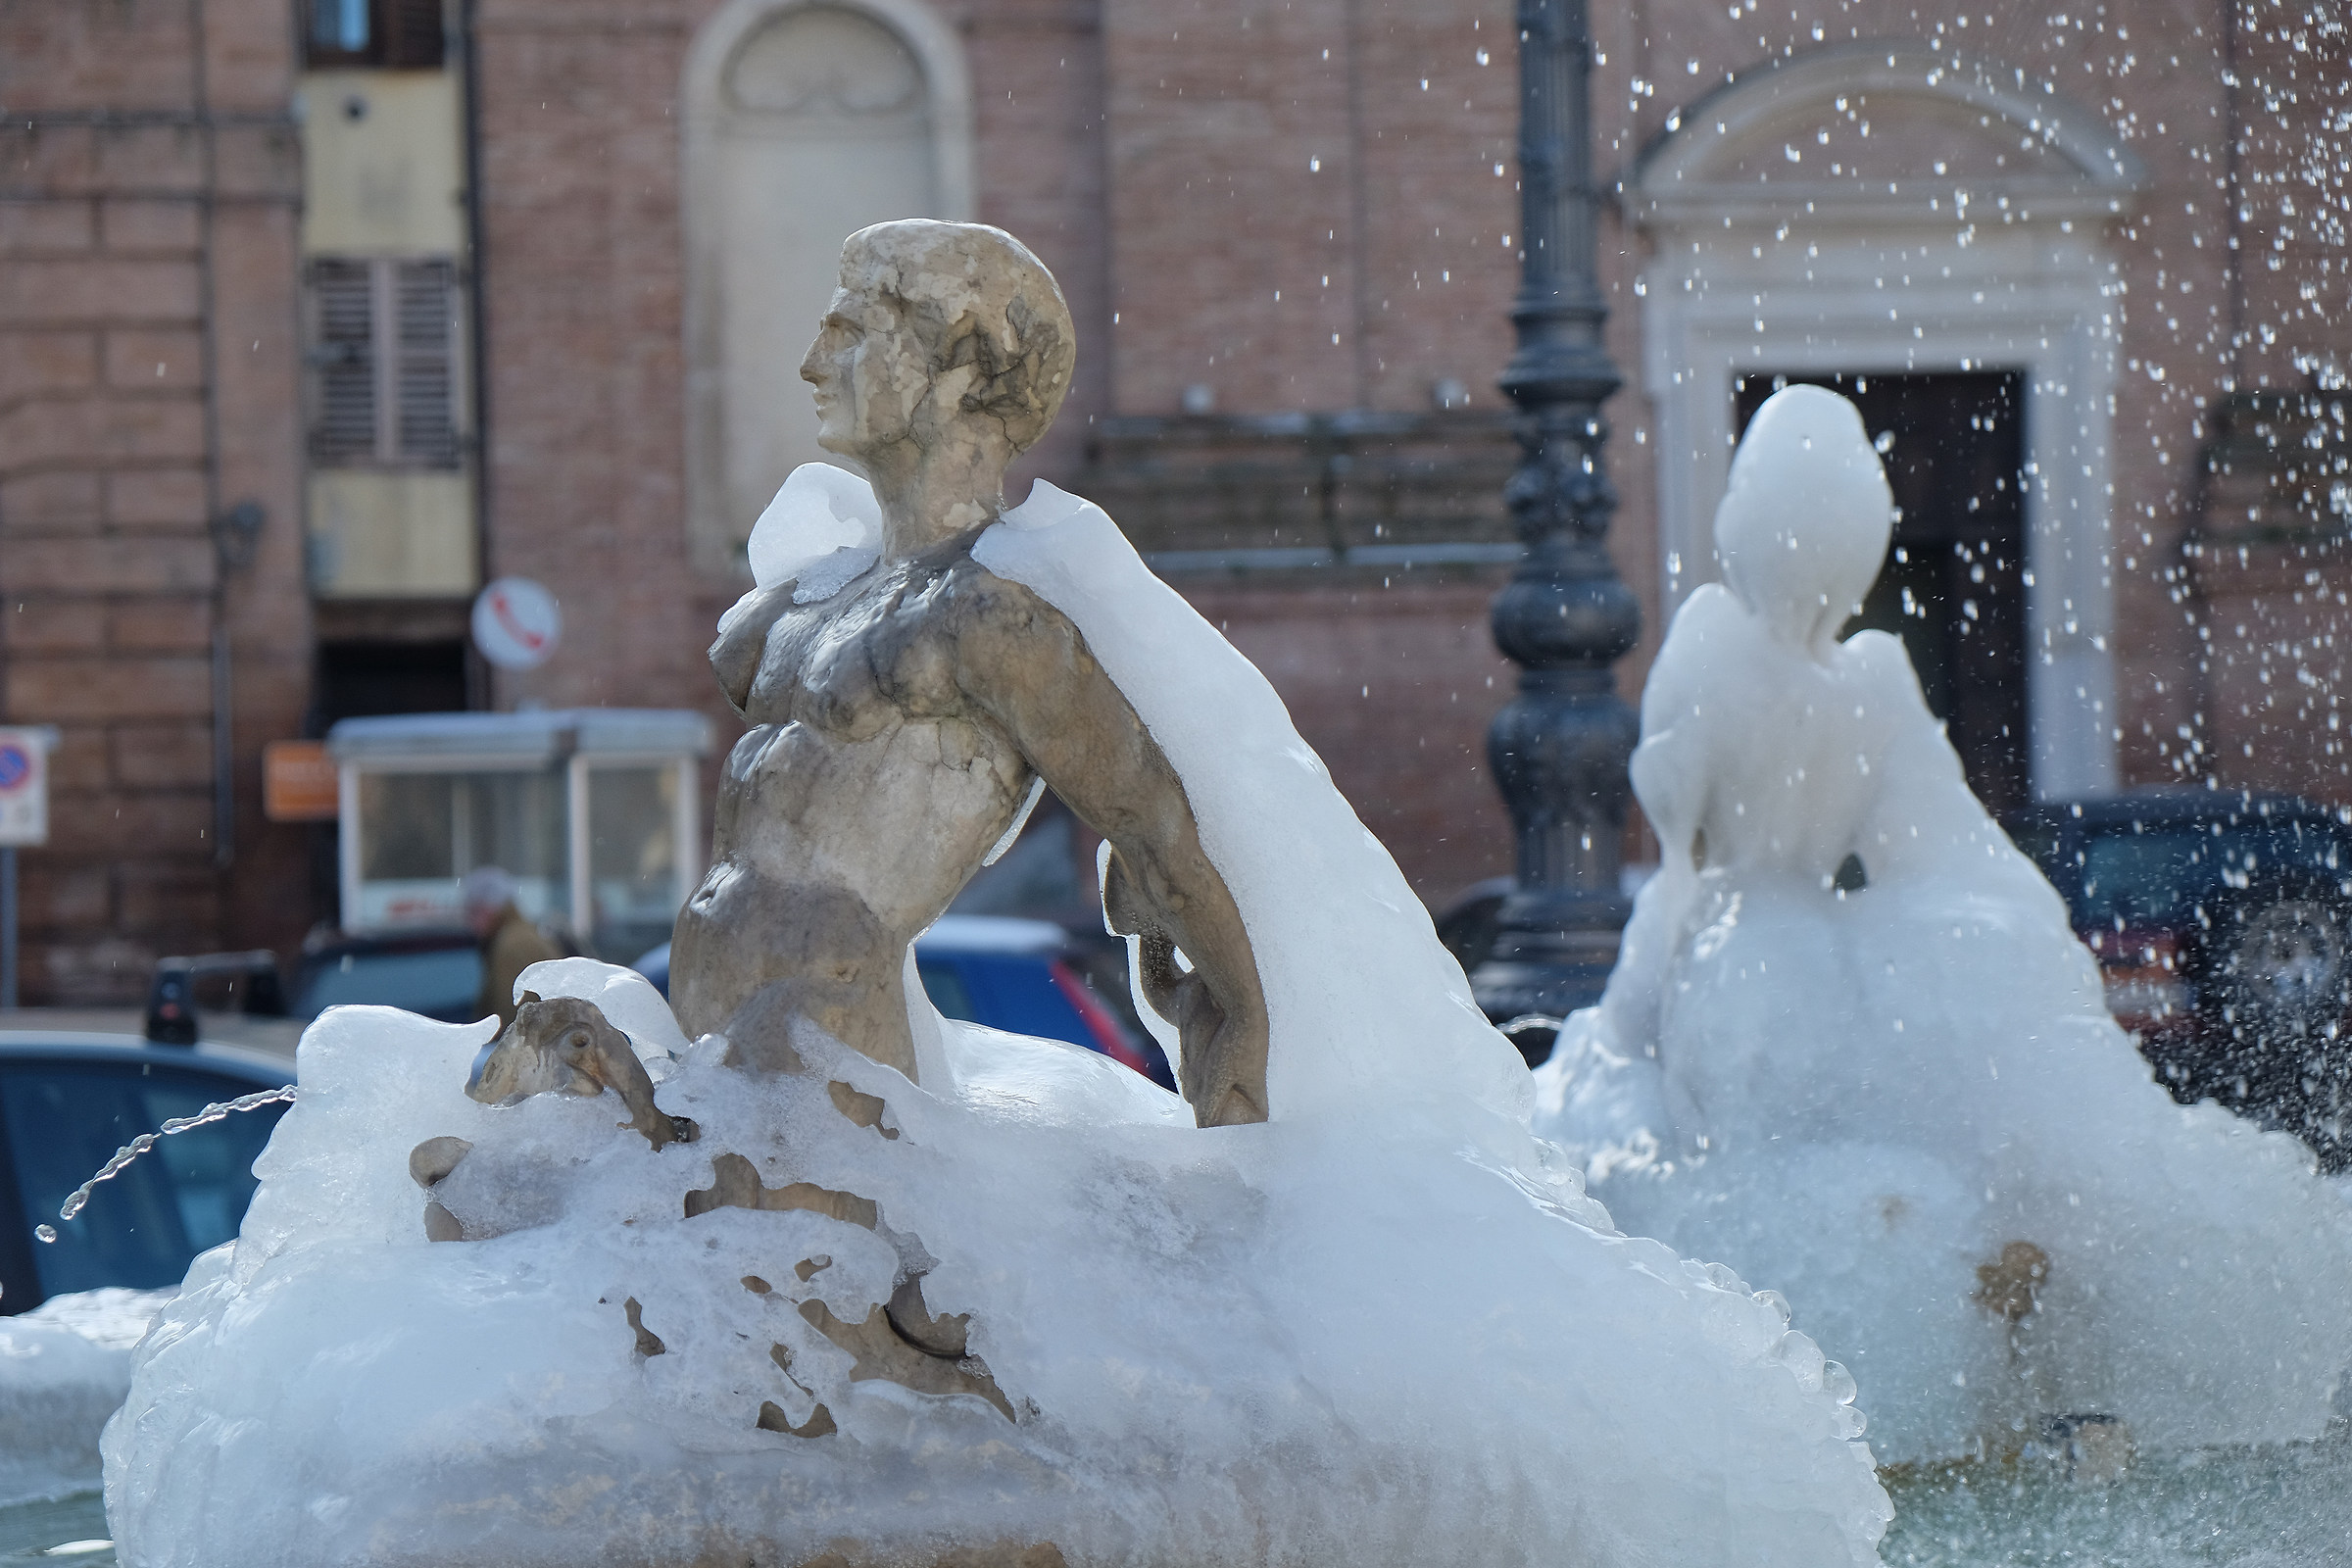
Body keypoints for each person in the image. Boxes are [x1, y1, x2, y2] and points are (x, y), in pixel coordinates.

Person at [667, 220, 1272, 1126]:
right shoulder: (797, 606)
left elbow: (1158, 831)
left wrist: (1244, 1022)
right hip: (714, 1048)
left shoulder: (992, 620)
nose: (810, 363)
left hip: (826, 1068)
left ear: (961, 366)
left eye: (850, 332)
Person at [463, 865, 564, 1028]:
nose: (468, 921)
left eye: (473, 911)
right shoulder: (525, 933)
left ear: (489, 909)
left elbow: (508, 1015)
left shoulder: (511, 945)